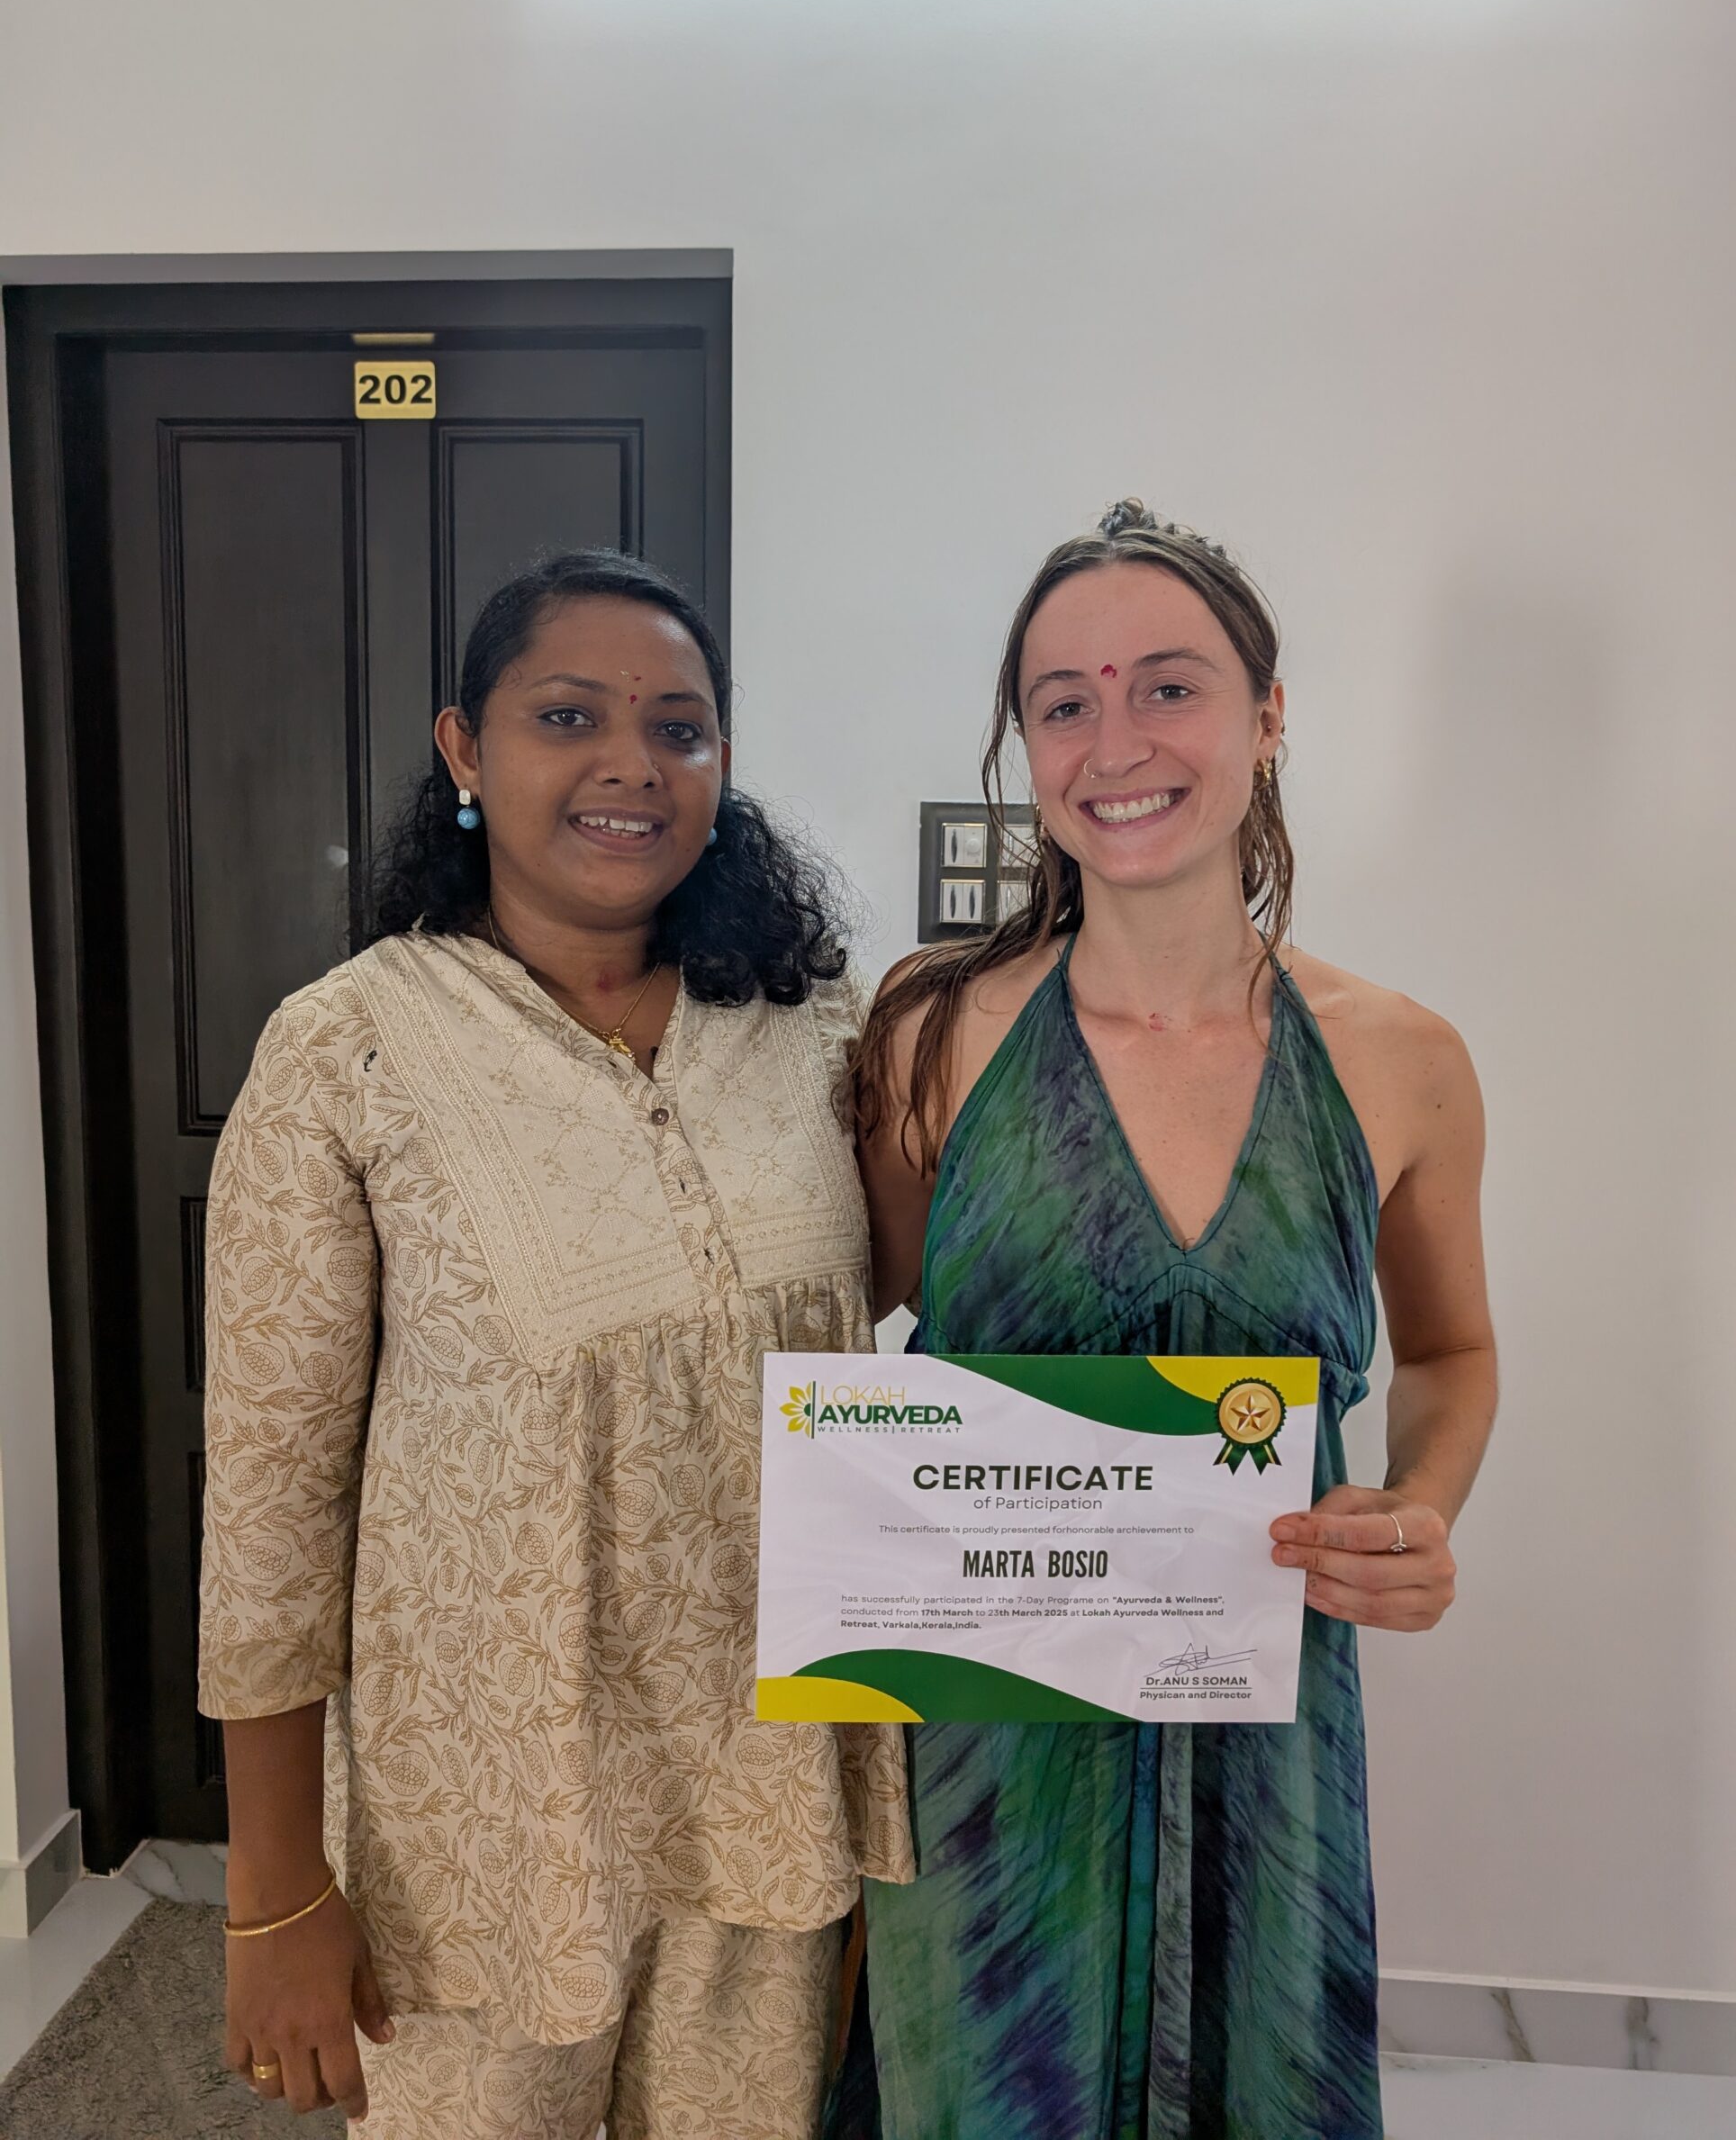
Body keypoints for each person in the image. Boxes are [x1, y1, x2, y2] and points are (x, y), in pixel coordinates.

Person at [199, 550, 912, 2139]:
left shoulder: (821, 1028)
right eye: (570, 716)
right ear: (465, 748)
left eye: (680, 728)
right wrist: (273, 1890)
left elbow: (929, 1322)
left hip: (769, 1794)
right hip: (480, 1830)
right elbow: (267, 1509)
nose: (631, 764)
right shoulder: (347, 1051)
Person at [844, 502, 1497, 2140]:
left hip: (1268, 1748)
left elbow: (1452, 1355)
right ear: (1026, 748)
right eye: (1064, 702)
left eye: (1169, 687)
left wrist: (1417, 1505)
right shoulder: (931, 1035)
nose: (1116, 741)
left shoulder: (1401, 1058)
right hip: (991, 1762)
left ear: (1267, 718)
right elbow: (866, 1326)